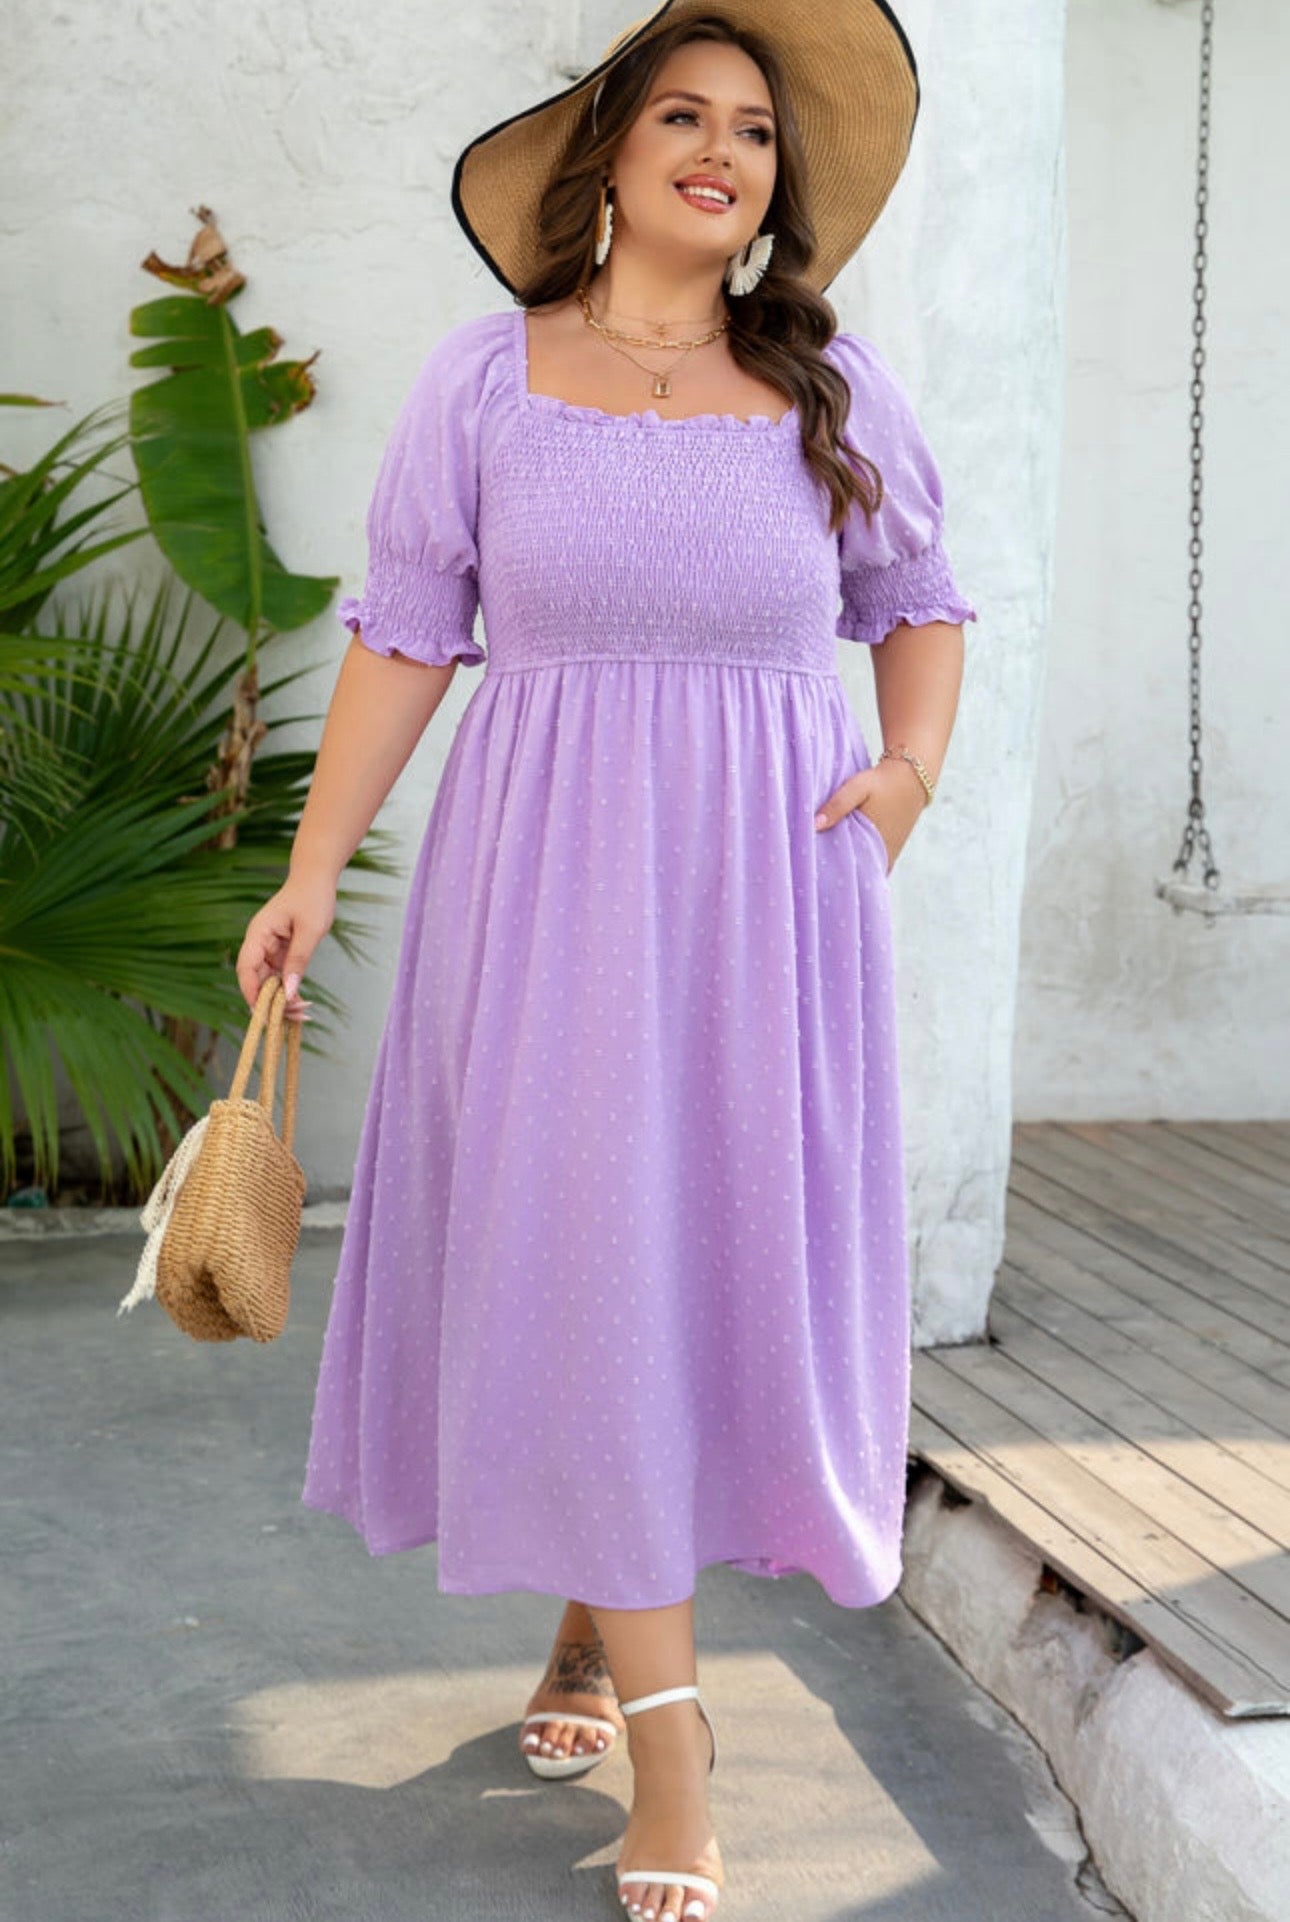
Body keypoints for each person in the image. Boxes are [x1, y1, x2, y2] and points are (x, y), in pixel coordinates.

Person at [236, 4, 977, 1917]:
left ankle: (595, 1618)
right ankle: (674, 1746)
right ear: (611, 156)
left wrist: (900, 778)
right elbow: (407, 635)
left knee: (694, 1260)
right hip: (545, 886)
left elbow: (918, 604)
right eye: (681, 116)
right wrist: (308, 868)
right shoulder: (484, 380)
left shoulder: (831, 386)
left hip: (766, 896)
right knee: (578, 1254)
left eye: (753, 130)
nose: (721, 151)